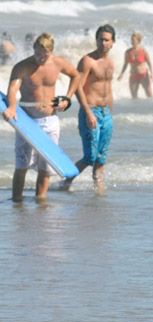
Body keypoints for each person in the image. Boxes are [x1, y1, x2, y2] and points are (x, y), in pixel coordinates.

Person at [2, 33, 79, 202]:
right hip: (26, 121)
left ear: (51, 51)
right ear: (33, 49)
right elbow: (13, 89)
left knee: (46, 167)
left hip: (50, 121)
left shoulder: (58, 63)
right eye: (37, 54)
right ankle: (17, 201)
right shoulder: (22, 66)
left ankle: (41, 202)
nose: (40, 58)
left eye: (44, 55)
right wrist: (12, 107)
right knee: (21, 164)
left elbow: (76, 75)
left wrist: (67, 99)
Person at [61, 25, 116, 193]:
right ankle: (65, 182)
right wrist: (88, 112)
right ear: (96, 40)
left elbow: (107, 89)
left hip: (106, 114)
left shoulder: (110, 62)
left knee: (101, 158)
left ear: (112, 42)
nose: (103, 43)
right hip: (91, 111)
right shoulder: (87, 61)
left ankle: (99, 192)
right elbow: (77, 86)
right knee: (90, 157)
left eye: (106, 40)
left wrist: (110, 111)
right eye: (100, 39)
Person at [117, 32, 153, 98]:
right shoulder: (128, 52)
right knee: (134, 97)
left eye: (133, 40)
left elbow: (149, 63)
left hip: (144, 76)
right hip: (133, 77)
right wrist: (121, 74)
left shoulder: (143, 51)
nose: (132, 42)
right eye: (131, 40)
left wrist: (152, 74)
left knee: (149, 95)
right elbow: (125, 64)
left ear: (138, 41)